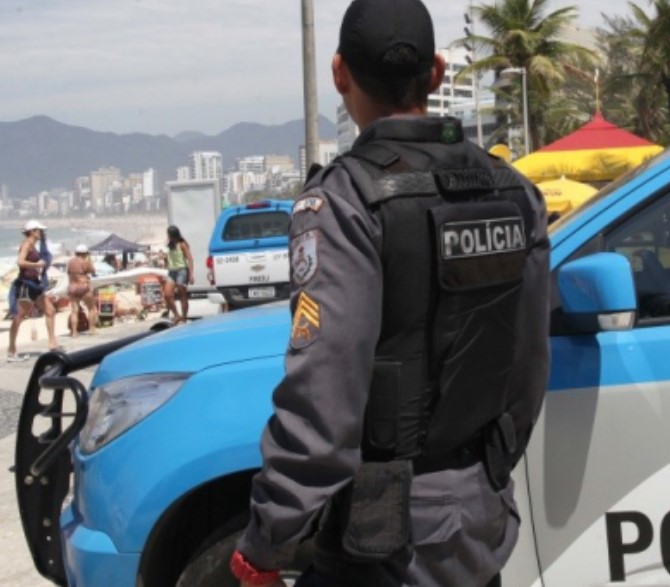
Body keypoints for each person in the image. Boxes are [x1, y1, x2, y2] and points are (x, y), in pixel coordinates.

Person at [231, 1, 549, 585]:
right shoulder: (515, 191)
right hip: (478, 518)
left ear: (339, 73)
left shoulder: (346, 200)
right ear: (437, 73)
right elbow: (528, 367)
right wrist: (486, 469)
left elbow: (324, 392)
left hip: (381, 540)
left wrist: (268, 538)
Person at [7, 220, 59, 361]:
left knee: (50, 311)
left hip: (35, 285)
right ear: (32, 231)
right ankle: (11, 350)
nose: (41, 233)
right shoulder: (27, 245)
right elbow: (20, 261)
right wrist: (36, 264)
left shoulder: (34, 246)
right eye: (39, 230)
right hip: (26, 284)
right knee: (18, 317)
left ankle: (52, 343)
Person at [162, 226, 193, 324]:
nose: (168, 236)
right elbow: (169, 258)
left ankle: (184, 317)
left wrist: (191, 274)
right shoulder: (169, 245)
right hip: (172, 271)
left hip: (182, 270)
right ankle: (176, 314)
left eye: (169, 234)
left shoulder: (182, 244)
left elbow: (190, 259)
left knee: (182, 295)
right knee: (167, 294)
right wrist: (165, 259)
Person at [66, 244, 97, 337]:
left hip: (73, 287)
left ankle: (74, 332)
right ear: (85, 253)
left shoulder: (70, 262)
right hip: (83, 285)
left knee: (74, 311)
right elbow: (93, 271)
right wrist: (90, 259)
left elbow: (69, 273)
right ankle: (91, 329)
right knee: (91, 308)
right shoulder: (85, 261)